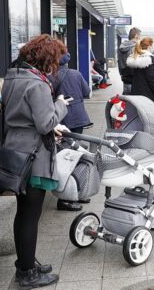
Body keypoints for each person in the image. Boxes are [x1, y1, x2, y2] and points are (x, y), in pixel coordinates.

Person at [2, 34, 68, 288]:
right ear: (46, 58)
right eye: (55, 60)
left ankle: (25, 262)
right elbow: (45, 122)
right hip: (33, 156)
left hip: (15, 150)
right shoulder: (36, 84)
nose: (56, 66)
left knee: (22, 213)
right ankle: (27, 273)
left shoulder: (12, 76)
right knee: (31, 215)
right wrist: (60, 105)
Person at [49, 52, 93, 212]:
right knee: (78, 155)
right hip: (78, 119)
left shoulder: (50, 77)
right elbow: (87, 92)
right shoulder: (76, 74)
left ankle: (66, 197)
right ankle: (77, 192)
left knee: (65, 159)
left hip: (62, 120)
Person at [126, 37, 154, 103]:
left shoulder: (133, 59)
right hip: (148, 98)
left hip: (135, 95)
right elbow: (153, 82)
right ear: (149, 46)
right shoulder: (149, 61)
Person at [118, 27, 142, 94]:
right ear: (136, 36)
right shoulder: (135, 47)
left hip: (125, 77)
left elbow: (119, 62)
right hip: (134, 79)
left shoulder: (121, 47)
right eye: (139, 37)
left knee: (127, 99)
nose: (140, 39)